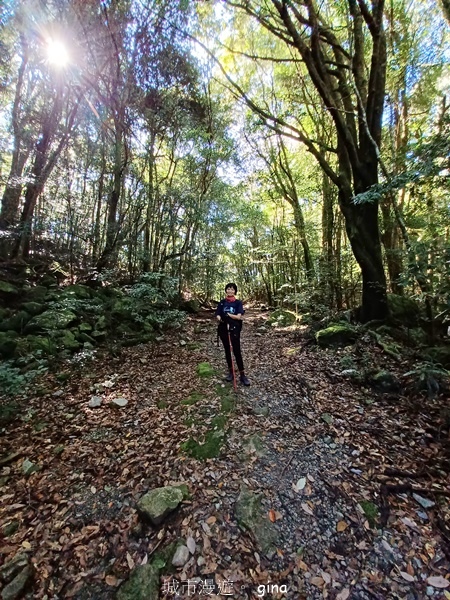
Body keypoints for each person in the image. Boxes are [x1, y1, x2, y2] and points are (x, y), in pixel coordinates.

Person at [216, 283, 250, 386]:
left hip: (234, 328)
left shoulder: (238, 303)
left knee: (236, 350)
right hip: (223, 328)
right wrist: (221, 319)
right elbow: (217, 314)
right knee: (227, 350)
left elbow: (239, 316)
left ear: (235, 291)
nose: (230, 291)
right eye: (228, 289)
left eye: (232, 289)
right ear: (226, 290)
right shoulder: (222, 303)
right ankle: (231, 372)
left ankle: (242, 375)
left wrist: (229, 315)